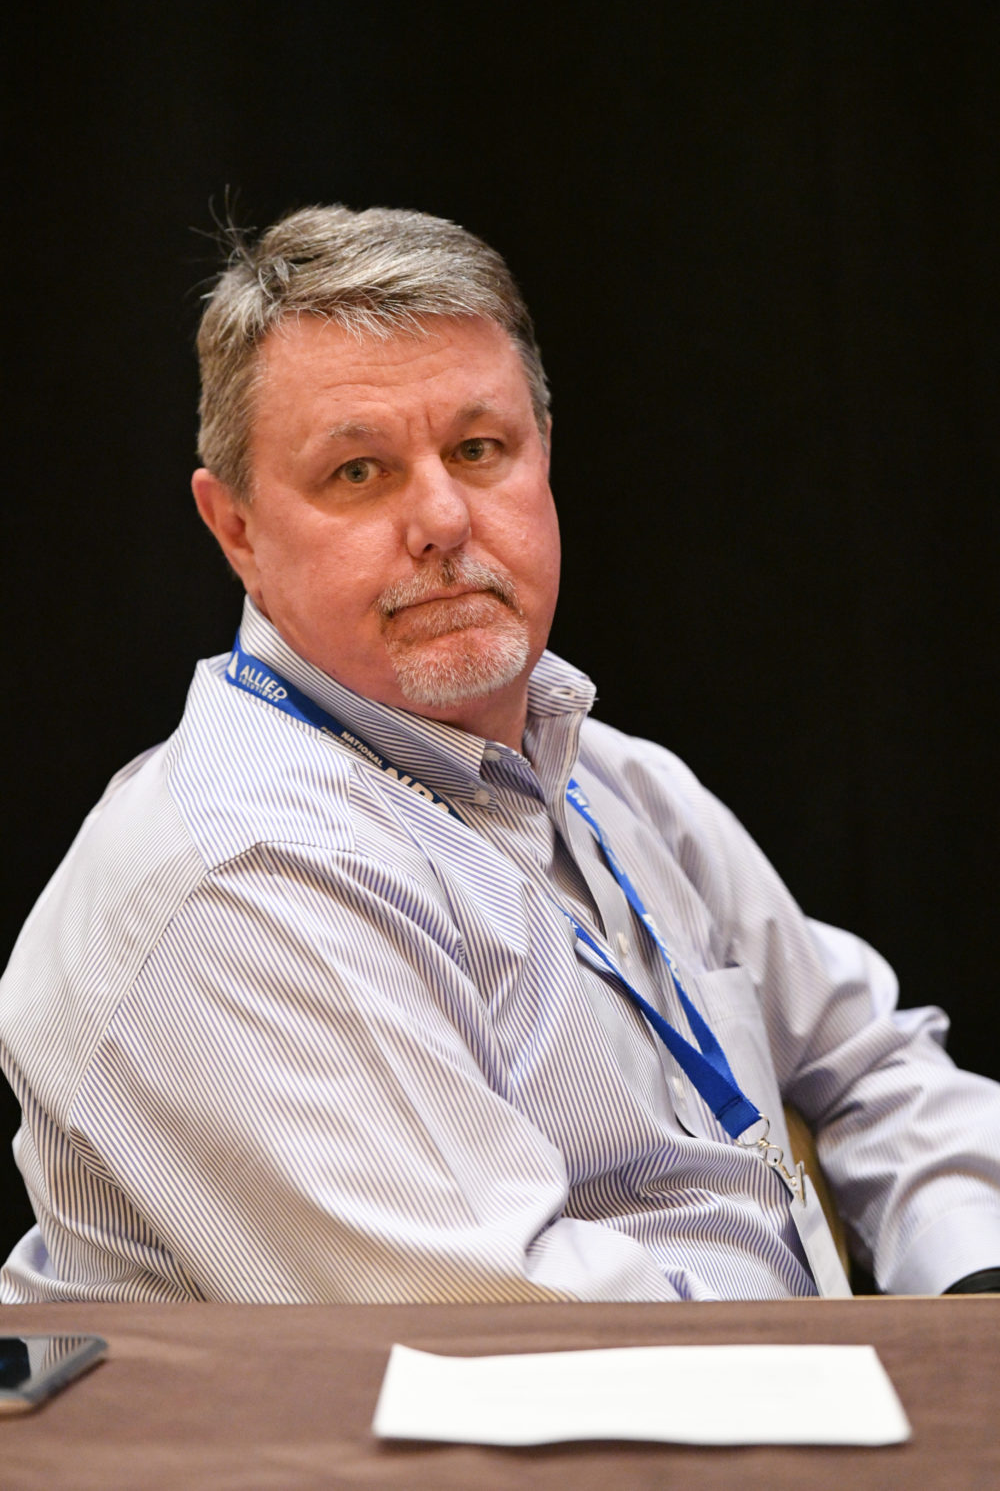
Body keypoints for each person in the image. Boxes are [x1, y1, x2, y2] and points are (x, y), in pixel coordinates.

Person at [2, 205, 999, 1306]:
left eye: (478, 451)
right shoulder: (237, 877)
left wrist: (976, 1285)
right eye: (358, 472)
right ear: (235, 528)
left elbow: (873, 1069)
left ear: (544, 457)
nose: (442, 518)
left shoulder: (610, 778)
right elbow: (519, 1338)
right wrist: (892, 1380)